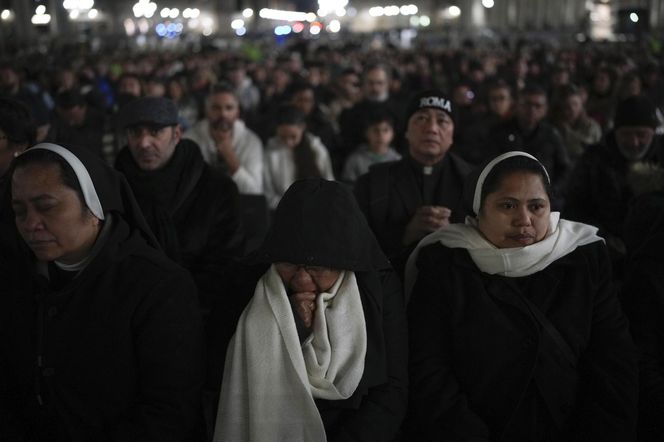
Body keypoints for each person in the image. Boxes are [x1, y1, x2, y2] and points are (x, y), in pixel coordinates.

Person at [406, 151, 638, 441]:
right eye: (507, 205)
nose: (524, 220)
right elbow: (429, 371)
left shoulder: (584, 259)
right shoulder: (445, 265)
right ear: (479, 211)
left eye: (536, 206)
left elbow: (614, 362)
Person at [0, 143, 204, 441]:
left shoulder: (158, 286)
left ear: (93, 206)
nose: (30, 224)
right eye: (19, 211)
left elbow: (169, 412)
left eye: (46, 207)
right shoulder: (14, 276)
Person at [208, 178, 408, 442]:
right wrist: (290, 326)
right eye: (289, 265)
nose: (302, 280)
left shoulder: (378, 288)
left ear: (343, 263)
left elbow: (392, 391)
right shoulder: (244, 283)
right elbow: (218, 376)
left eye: (317, 268)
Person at [114, 96, 245, 313]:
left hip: (200, 311)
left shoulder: (216, 189)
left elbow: (226, 267)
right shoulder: (114, 187)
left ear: (176, 134)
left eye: (155, 132)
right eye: (135, 133)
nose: (144, 143)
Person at [354, 90, 470, 275]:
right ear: (406, 131)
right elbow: (358, 245)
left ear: (452, 134)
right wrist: (404, 235)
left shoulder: (473, 183)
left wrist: (452, 236)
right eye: (421, 119)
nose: (432, 128)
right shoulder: (373, 183)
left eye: (442, 121)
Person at [564, 95, 663, 278]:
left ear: (653, 133)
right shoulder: (594, 160)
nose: (634, 142)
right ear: (615, 132)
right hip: (604, 262)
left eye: (641, 135)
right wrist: (602, 238)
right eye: (626, 134)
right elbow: (574, 210)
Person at [488, 84, 572, 206]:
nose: (532, 110)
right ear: (517, 105)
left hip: (545, 196)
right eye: (527, 104)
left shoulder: (551, 134)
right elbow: (490, 164)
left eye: (538, 106)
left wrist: (552, 191)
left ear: (545, 109)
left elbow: (564, 168)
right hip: (508, 195)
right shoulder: (499, 132)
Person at [184, 83, 264, 195]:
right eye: (216, 108)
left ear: (237, 112)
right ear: (206, 111)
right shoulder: (189, 139)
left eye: (229, 108)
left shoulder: (251, 141)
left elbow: (254, 191)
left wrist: (230, 158)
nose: (223, 114)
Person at [263, 105, 334, 210]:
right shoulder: (270, 151)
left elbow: (330, 186)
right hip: (283, 210)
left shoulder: (317, 149)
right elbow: (268, 193)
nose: (288, 142)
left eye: (293, 137)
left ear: (302, 128)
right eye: (283, 137)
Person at [341, 108, 401, 183]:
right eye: (375, 130)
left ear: (393, 134)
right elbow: (348, 186)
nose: (380, 135)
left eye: (385, 130)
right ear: (366, 133)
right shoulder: (355, 159)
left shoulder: (397, 160)